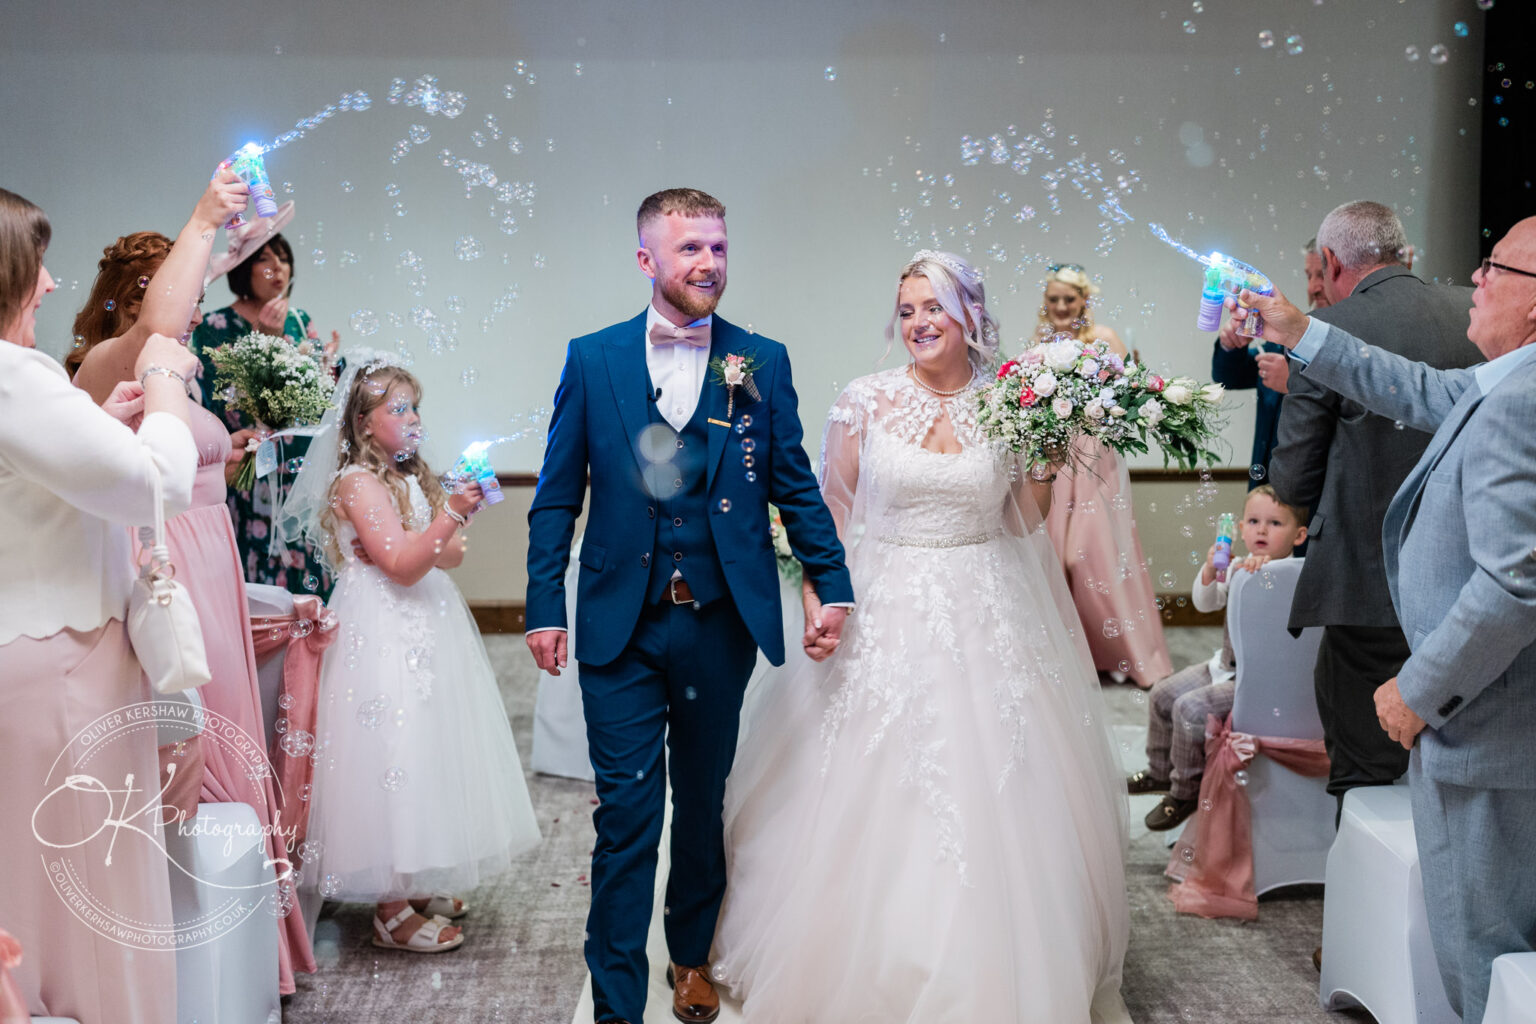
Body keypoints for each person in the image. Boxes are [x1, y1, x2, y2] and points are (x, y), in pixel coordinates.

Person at [712, 251, 1131, 1022]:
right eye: (906, 310)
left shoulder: (1011, 402)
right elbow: (828, 517)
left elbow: (1020, 522)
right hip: (883, 598)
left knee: (1002, 777)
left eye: (932, 307)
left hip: (987, 600)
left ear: (969, 312)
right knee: (857, 776)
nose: (918, 323)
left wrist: (1045, 449)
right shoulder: (863, 402)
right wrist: (816, 598)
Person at [525, 188, 854, 1024]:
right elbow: (558, 496)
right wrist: (542, 603)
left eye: (718, 247)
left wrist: (833, 582)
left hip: (716, 623)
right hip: (618, 624)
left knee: (701, 803)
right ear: (648, 261)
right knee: (627, 813)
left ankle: (692, 959)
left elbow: (793, 486)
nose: (709, 263)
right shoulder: (592, 359)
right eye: (689, 250)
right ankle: (616, 1005)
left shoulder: (760, 360)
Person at [1224, 215, 1536, 1024]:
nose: (1475, 279)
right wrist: (1302, 331)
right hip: (1496, 717)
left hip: (1486, 725)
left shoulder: (1521, 402)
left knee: (1486, 949)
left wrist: (1419, 691)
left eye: (1494, 268)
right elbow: (1419, 390)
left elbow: (1514, 585)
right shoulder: (1502, 383)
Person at [68, 179, 318, 993]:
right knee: (198, 733)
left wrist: (232, 451)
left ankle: (257, 955)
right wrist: (214, 222)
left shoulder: (172, 368)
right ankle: (205, 955)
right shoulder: (110, 367)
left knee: (238, 731)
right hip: (170, 558)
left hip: (216, 554)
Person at [0, 186, 199, 1024]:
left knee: (32, 896)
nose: (49, 285)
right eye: (37, 266)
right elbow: (160, 486)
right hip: (63, 669)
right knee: (94, 911)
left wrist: (104, 425)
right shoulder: (13, 378)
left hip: (34, 657)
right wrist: (160, 389)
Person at [287, 354, 539, 952]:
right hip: (384, 629)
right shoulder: (358, 482)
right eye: (397, 408)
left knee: (428, 746)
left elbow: (446, 555)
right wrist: (444, 521)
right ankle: (390, 907)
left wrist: (440, 528)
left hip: (428, 620)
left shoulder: (404, 476)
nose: (413, 417)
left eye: (415, 405)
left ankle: (414, 876)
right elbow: (402, 566)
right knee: (391, 751)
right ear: (364, 423)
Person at [1266, 201, 1479, 814]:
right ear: (1402, 251)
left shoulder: (1327, 332)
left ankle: (1367, 904)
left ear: (1329, 262)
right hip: (1472, 583)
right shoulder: (1474, 312)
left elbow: (1293, 479)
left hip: (1365, 585)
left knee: (1365, 778)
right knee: (1460, 777)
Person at [1130, 485, 1309, 831]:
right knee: (1163, 694)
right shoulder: (1238, 567)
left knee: (1189, 709)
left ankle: (1184, 791)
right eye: (1254, 521)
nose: (1261, 529)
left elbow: (1280, 614)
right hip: (1224, 667)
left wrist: (1267, 572)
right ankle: (1158, 772)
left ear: (1299, 535)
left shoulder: (1294, 575)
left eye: (1274, 523)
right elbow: (1205, 602)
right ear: (1239, 530)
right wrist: (1211, 572)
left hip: (1257, 681)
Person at [1035, 262, 1171, 687]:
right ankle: (1079, 658)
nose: (1060, 307)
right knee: (1056, 558)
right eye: (1053, 299)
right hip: (1057, 457)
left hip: (1095, 457)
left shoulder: (1104, 339)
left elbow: (1133, 390)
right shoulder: (1040, 343)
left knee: (1091, 554)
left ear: (1083, 301)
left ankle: (1128, 653)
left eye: (1068, 299)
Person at [191, 208, 335, 595]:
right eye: (264, 259)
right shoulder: (213, 326)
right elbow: (222, 403)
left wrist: (326, 373)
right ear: (243, 269)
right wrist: (264, 339)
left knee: (302, 563)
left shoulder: (301, 321)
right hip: (249, 464)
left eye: (284, 258)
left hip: (296, 466)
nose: (278, 267)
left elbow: (312, 400)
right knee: (251, 569)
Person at [1212, 238, 1332, 486]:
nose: (1313, 287)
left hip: (1316, 490)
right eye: (1309, 276)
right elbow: (1228, 376)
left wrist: (1294, 382)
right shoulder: (1287, 338)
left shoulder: (1355, 344)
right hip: (1268, 483)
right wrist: (1230, 345)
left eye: (1321, 275)